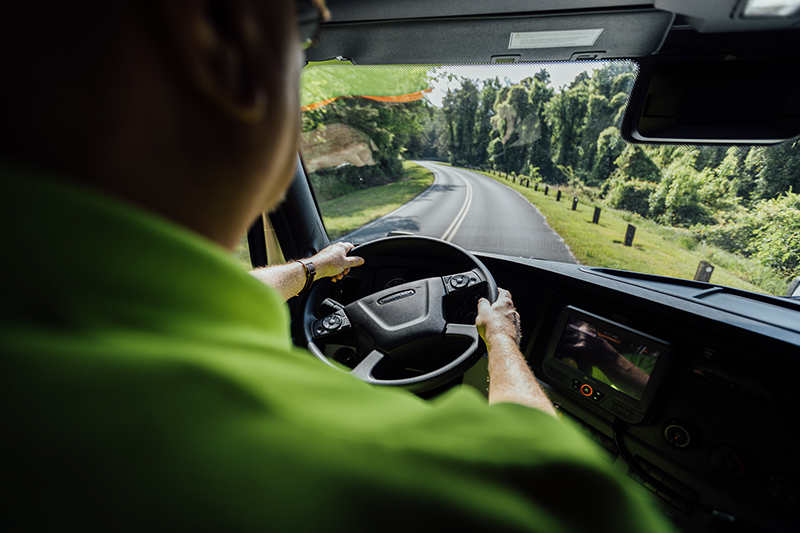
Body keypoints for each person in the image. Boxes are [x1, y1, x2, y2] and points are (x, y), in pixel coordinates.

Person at [0, 1, 674, 531]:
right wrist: (500, 341)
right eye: (301, 36)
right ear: (223, 48)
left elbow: (239, 286)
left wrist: (312, 269)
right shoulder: (442, 483)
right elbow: (548, 470)